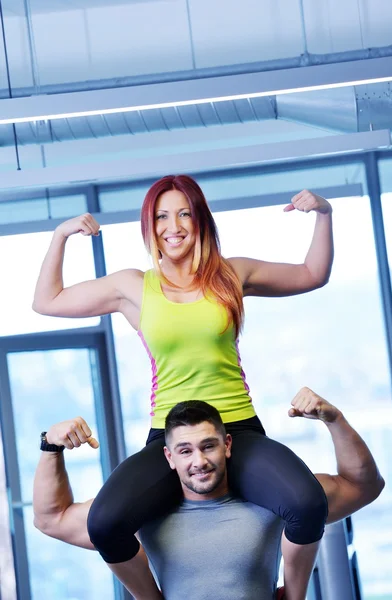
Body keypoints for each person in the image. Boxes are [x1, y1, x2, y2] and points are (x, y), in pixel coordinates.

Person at [32, 175, 334, 600]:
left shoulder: (230, 275)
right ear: (149, 226)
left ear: (200, 221)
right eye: (161, 216)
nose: (173, 226)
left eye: (184, 214)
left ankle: (293, 596)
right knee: (104, 525)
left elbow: (312, 273)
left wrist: (324, 214)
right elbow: (47, 301)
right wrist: (61, 235)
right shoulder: (133, 286)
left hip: (237, 430)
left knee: (308, 505)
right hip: (168, 438)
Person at [33, 387, 385, 600]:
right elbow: (52, 518)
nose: (199, 461)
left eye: (208, 446)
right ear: (168, 457)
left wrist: (334, 419)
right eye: (185, 451)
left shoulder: (273, 503)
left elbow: (364, 486)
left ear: (228, 445)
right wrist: (50, 446)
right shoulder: (145, 516)